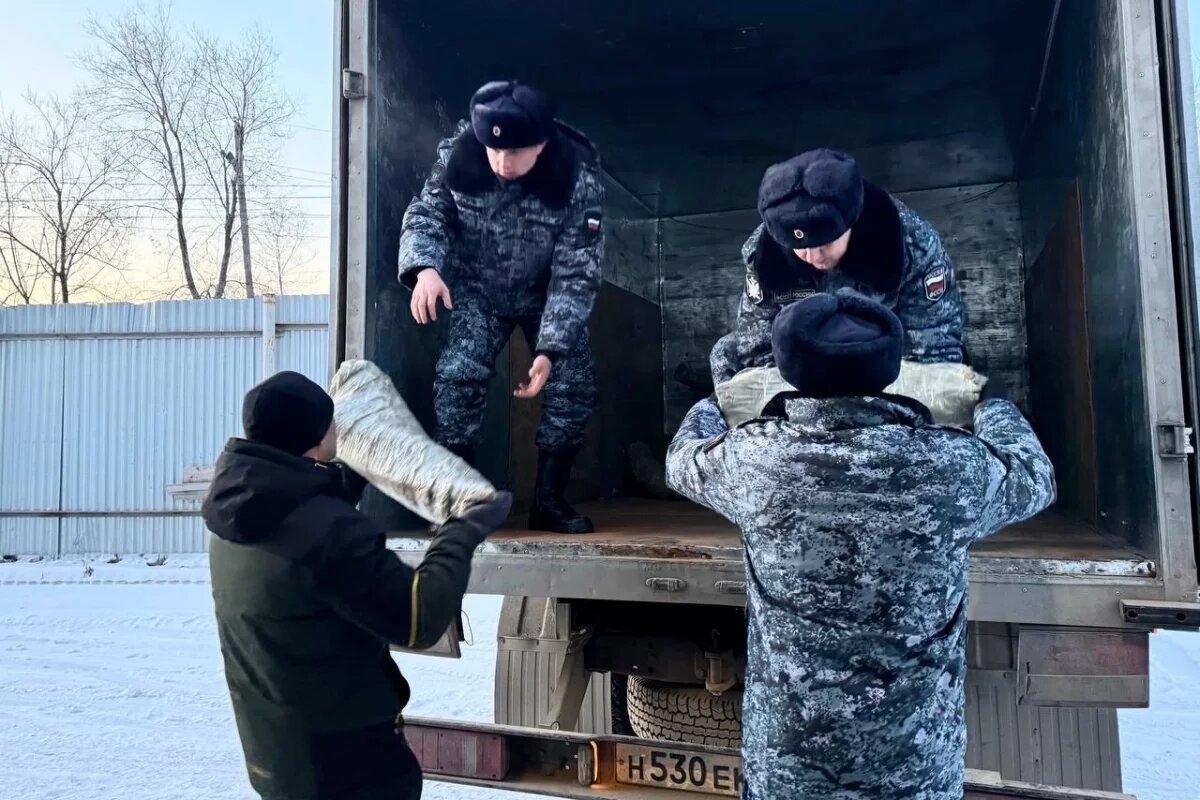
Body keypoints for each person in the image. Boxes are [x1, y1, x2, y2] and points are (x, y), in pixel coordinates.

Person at [668, 292, 1055, 800]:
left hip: (789, 768)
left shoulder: (755, 461)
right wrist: (992, 405)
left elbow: (681, 461)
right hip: (915, 771)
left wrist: (714, 404)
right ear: (889, 369)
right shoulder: (949, 469)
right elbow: (1035, 476)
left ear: (790, 371)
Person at [202, 370, 512, 800]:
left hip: (279, 755)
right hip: (349, 768)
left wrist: (355, 473)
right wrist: (463, 528)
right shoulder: (329, 534)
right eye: (334, 421)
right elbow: (418, 618)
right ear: (316, 438)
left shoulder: (234, 514)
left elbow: (304, 537)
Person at [398, 80, 604, 534]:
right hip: (477, 288)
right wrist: (425, 269)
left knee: (573, 385)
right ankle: (456, 501)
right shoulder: (460, 157)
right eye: (495, 152)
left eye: (516, 152)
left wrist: (549, 349)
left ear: (542, 143)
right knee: (458, 376)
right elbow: (427, 214)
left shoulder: (576, 179)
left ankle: (548, 501)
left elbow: (576, 272)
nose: (503, 164)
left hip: (545, 293)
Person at [709, 148, 966, 387]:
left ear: (852, 221)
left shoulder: (912, 244)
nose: (813, 256)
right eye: (800, 247)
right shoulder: (765, 257)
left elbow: (932, 346)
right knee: (726, 354)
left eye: (825, 243)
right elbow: (758, 345)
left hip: (884, 370)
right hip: (802, 376)